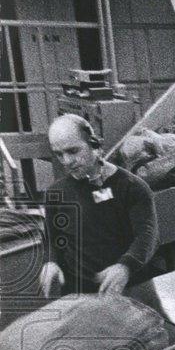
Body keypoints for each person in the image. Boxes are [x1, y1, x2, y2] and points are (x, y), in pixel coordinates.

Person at [39, 114, 159, 297]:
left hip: (128, 289)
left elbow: (148, 235)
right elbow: (52, 238)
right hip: (79, 293)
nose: (66, 161)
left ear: (94, 145)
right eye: (59, 154)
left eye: (73, 151)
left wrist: (126, 266)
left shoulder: (132, 187)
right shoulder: (56, 193)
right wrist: (51, 262)